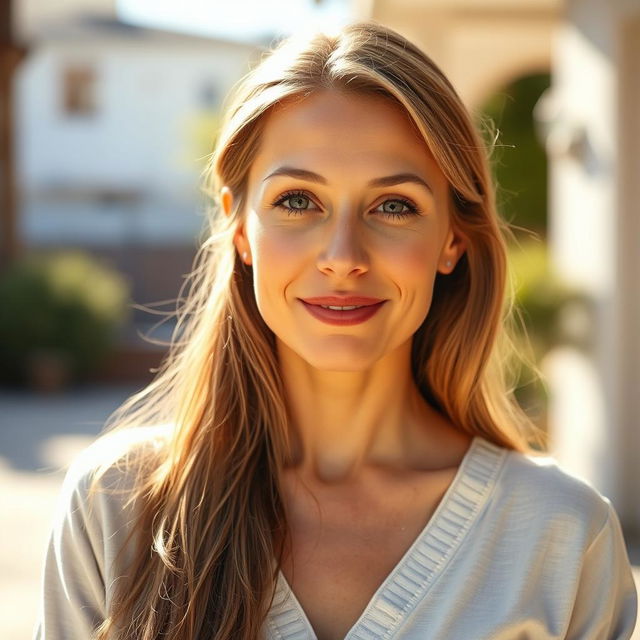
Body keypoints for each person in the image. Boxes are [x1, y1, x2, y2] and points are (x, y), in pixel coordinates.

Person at [33, 20, 637, 640]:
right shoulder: (118, 507)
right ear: (240, 229)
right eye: (298, 201)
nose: (343, 255)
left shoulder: (562, 535)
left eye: (393, 206)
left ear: (452, 241)